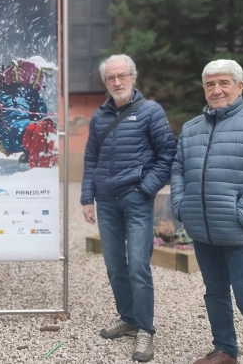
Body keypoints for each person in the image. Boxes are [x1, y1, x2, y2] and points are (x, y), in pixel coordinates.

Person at [170, 59, 243, 364]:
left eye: (224, 82)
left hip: (242, 233)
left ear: (239, 86)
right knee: (215, 293)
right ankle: (224, 350)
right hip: (203, 232)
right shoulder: (191, 128)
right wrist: (182, 206)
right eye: (210, 84)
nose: (216, 90)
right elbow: (179, 170)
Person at [80, 54, 176, 362]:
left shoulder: (151, 112)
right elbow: (91, 160)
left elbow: (167, 156)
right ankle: (129, 317)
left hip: (136, 200)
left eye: (122, 76)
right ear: (105, 82)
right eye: (111, 78)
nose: (117, 82)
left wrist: (145, 189)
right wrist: (86, 198)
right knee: (113, 265)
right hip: (106, 202)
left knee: (138, 265)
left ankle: (145, 330)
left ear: (133, 77)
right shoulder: (98, 117)